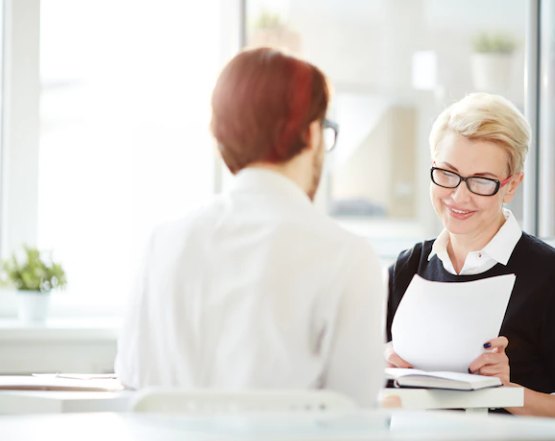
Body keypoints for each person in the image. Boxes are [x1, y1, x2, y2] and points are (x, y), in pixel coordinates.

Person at [115, 47, 385, 407]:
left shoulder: (162, 243)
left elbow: (134, 384)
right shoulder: (349, 258)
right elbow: (354, 418)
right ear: (310, 134)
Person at [384, 93, 555, 421]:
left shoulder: (553, 278)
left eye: (481, 181)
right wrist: (383, 363)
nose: (458, 195)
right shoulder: (408, 268)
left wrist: (506, 390)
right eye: (447, 173)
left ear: (510, 186)